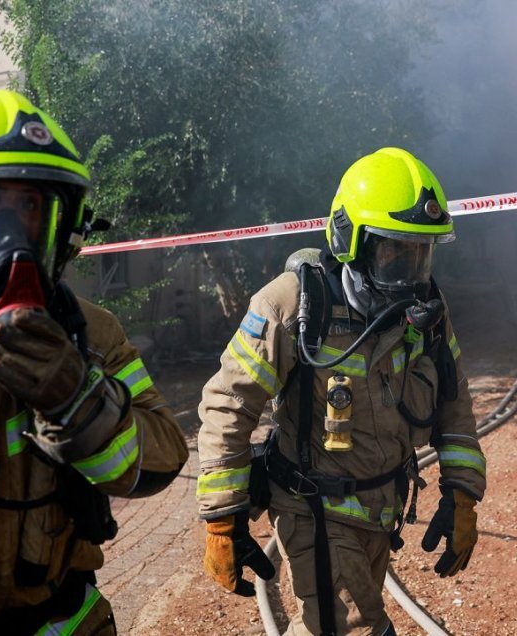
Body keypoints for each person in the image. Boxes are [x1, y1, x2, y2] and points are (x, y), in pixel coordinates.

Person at [0, 89, 189, 635]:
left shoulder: (91, 331)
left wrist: (80, 402)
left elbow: (162, 459)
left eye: (30, 208)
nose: (13, 237)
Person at [197, 147, 486, 635]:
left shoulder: (428, 313)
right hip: (313, 512)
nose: (409, 273)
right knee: (359, 630)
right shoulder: (290, 306)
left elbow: (454, 407)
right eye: (395, 251)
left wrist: (463, 494)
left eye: (421, 254)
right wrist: (223, 516)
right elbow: (229, 404)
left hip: (382, 512)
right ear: (349, 237)